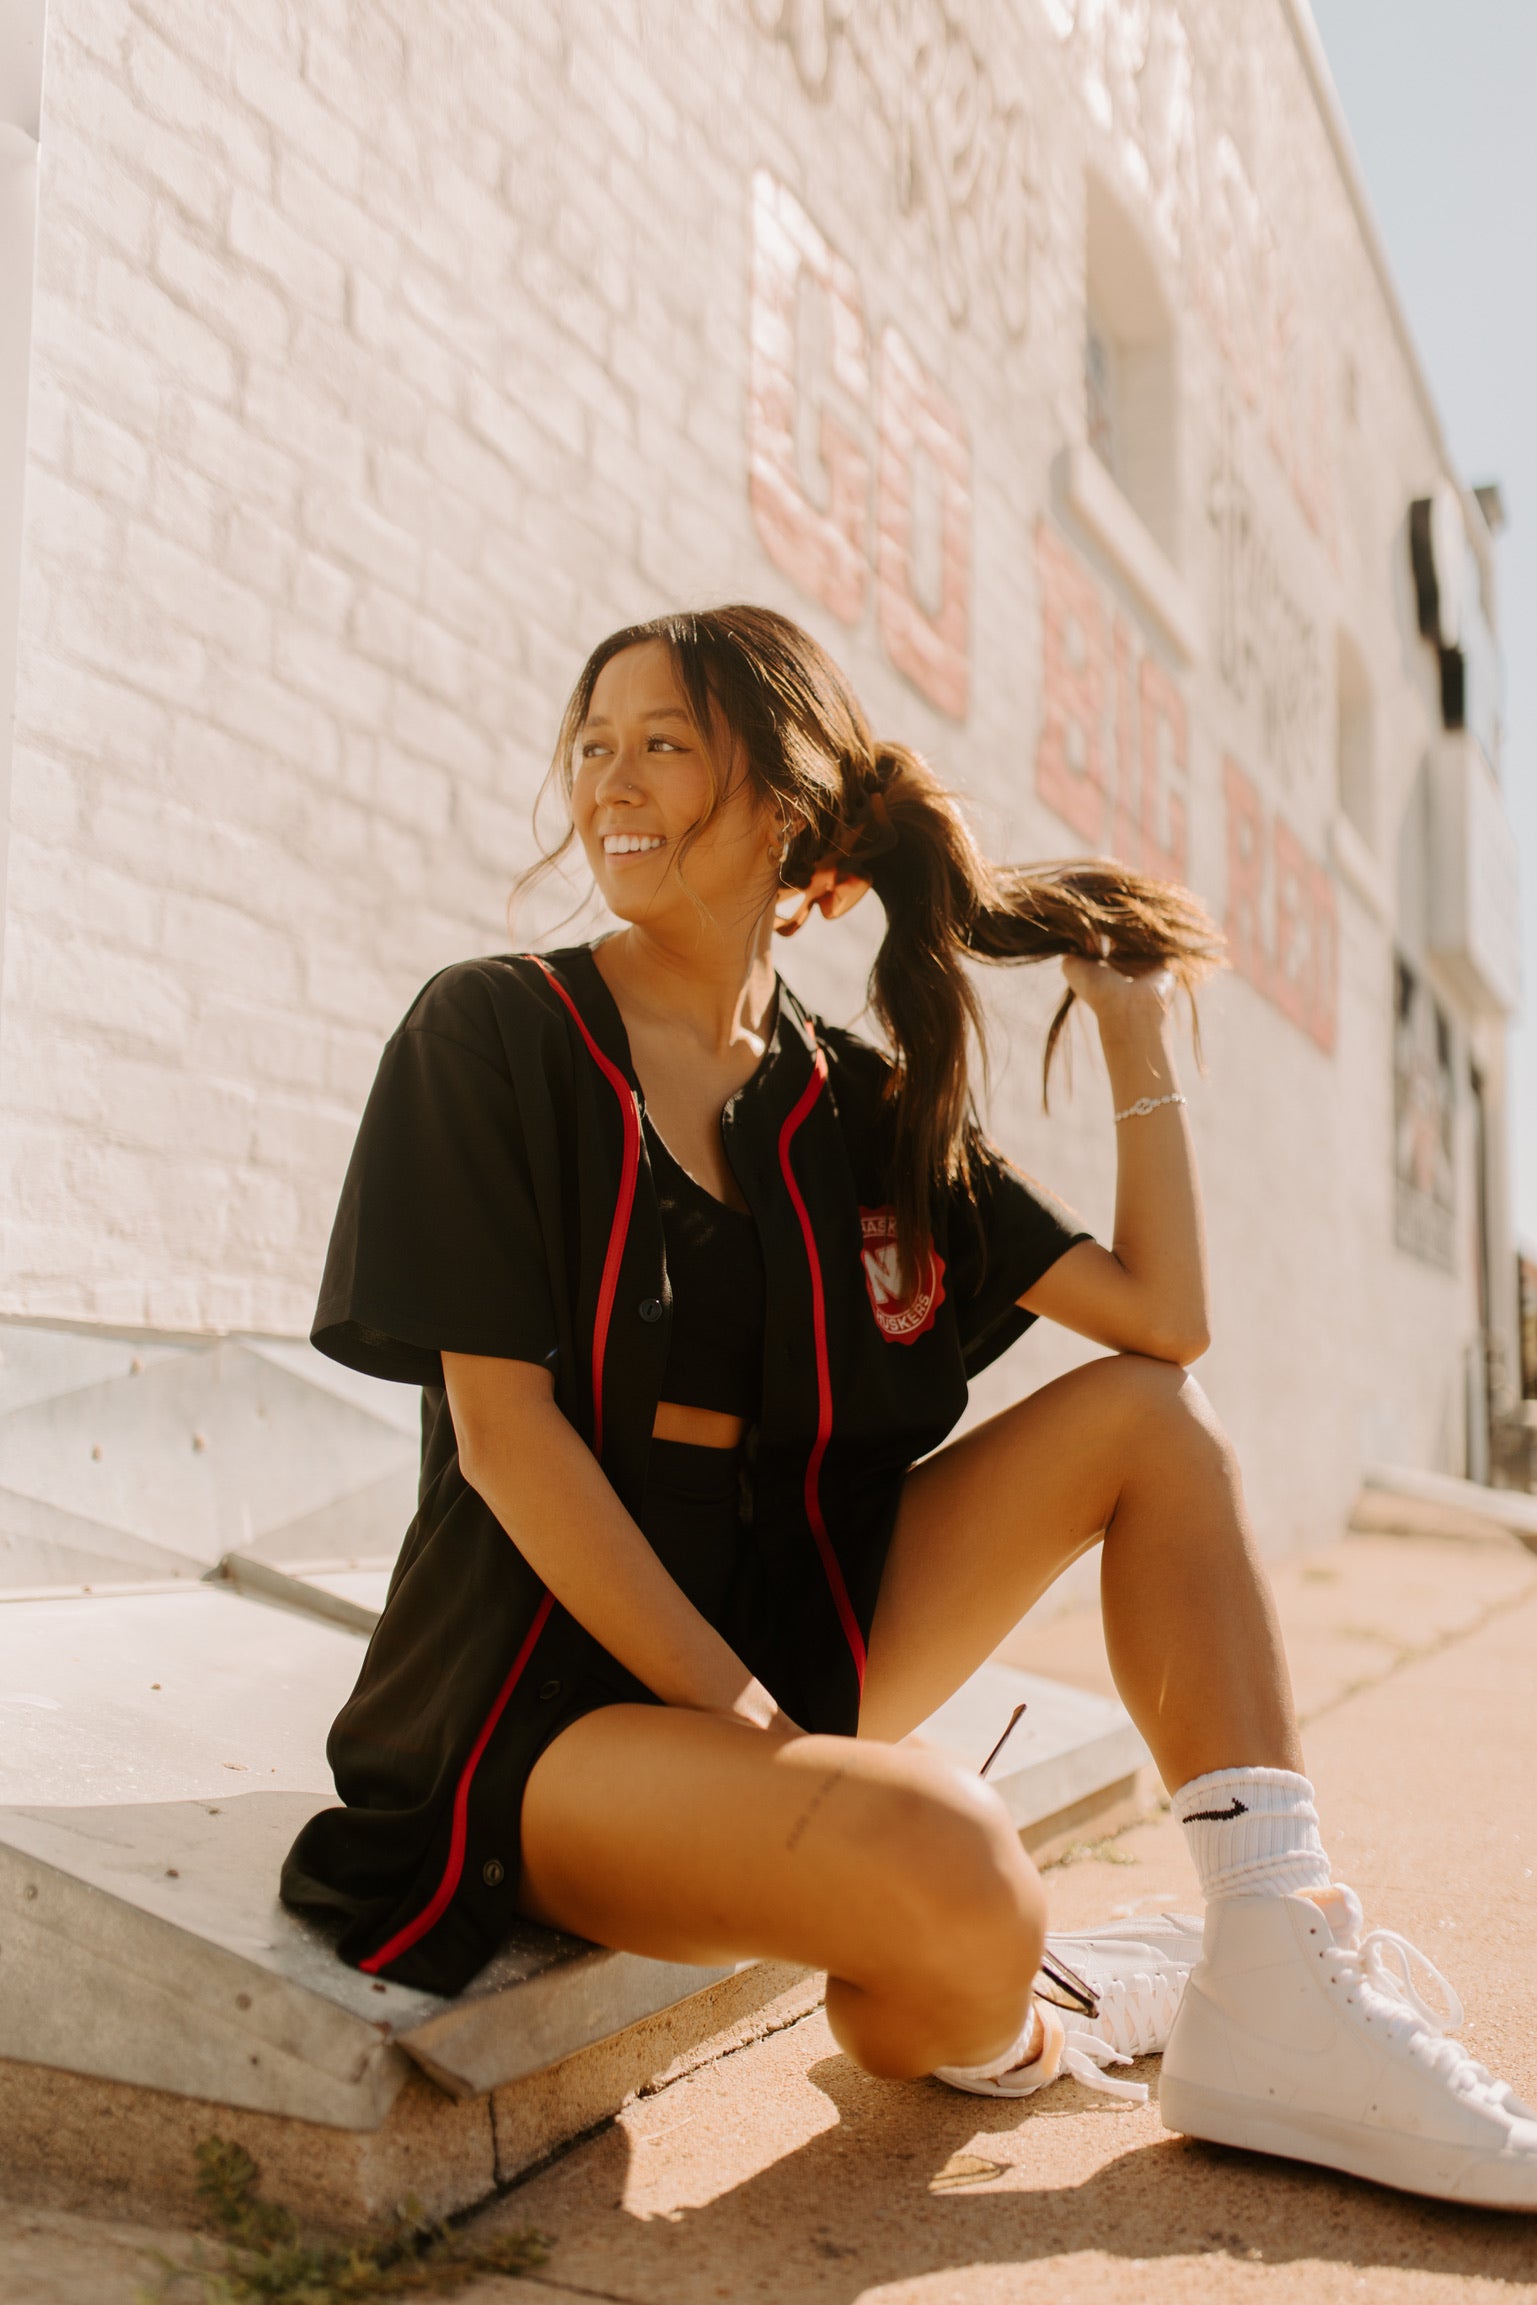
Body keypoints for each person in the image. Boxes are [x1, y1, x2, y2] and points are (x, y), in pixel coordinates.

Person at [283, 606, 1536, 2211]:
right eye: (594, 742)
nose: (613, 779)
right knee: (951, 1860)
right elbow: (507, 1444)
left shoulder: (854, 1098)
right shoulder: (491, 1033)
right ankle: (1038, 2008)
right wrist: (759, 1734)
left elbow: (1162, 1321)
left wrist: (1137, 1034)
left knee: (1149, 1418)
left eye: (666, 741)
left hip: (800, 1639)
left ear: (791, 820)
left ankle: (1274, 1952)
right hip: (551, 1710)